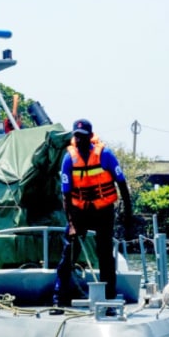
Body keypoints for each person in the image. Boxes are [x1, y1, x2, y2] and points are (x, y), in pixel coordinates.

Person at [53, 119, 133, 313]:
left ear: (90, 137)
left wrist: (128, 214)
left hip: (103, 211)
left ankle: (109, 301)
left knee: (105, 255)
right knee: (67, 255)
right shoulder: (68, 159)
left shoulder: (105, 155)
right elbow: (66, 194)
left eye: (82, 136)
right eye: (76, 136)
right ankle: (59, 299)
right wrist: (71, 224)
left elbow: (121, 183)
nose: (79, 140)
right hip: (79, 212)